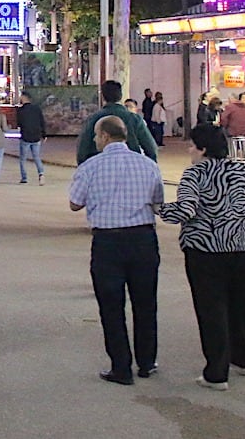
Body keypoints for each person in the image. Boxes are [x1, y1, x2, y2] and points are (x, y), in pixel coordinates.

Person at [158, 125, 245, 389]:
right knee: (239, 303)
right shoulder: (244, 171)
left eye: (192, 146)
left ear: (203, 149)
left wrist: (159, 209)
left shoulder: (194, 175)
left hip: (204, 250)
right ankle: (241, 359)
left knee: (211, 308)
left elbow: (186, 210)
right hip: (241, 248)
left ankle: (216, 373)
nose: (189, 151)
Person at [68, 115, 165, 386]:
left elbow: (75, 203)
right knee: (145, 303)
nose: (95, 141)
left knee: (111, 307)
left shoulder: (90, 167)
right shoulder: (148, 165)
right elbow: (158, 202)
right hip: (143, 240)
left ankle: (121, 367)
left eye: (97, 137)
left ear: (106, 137)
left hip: (107, 243)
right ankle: (147, 363)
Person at [76, 81, 157, 164]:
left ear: (102, 96)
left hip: (100, 165)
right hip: (130, 164)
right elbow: (150, 147)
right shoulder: (134, 119)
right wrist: (149, 165)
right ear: (121, 96)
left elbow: (82, 149)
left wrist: (86, 167)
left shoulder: (93, 119)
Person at [16, 91, 46, 185]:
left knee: (23, 159)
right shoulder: (37, 109)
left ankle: (24, 177)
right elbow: (42, 121)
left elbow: (19, 123)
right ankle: (41, 174)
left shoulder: (20, 111)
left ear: (24, 98)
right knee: (36, 157)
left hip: (25, 136)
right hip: (36, 136)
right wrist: (44, 134)